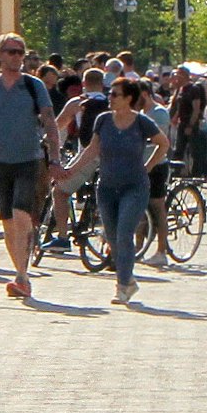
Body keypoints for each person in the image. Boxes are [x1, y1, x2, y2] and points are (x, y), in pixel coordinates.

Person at [0, 35, 59, 301]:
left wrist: (55, 157)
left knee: (21, 214)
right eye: (12, 52)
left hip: (29, 160)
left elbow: (50, 121)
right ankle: (21, 273)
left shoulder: (33, 85)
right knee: (7, 221)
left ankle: (21, 276)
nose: (18, 57)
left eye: (21, 52)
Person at [62, 75, 170, 304]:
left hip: (135, 186)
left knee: (124, 232)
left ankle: (122, 285)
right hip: (108, 186)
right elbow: (92, 149)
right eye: (110, 93)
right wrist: (71, 170)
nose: (109, 97)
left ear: (129, 98)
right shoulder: (103, 120)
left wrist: (148, 166)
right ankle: (128, 280)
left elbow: (163, 143)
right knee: (112, 235)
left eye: (115, 94)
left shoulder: (142, 122)